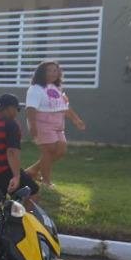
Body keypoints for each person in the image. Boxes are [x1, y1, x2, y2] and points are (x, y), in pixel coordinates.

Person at [24, 60, 86, 191]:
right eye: (49, 70)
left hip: (58, 124)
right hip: (42, 123)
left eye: (55, 70)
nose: (53, 73)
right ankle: (46, 182)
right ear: (41, 73)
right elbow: (30, 109)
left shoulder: (56, 88)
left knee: (61, 151)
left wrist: (76, 120)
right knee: (49, 151)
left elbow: (65, 107)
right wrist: (32, 126)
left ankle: (32, 171)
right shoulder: (35, 89)